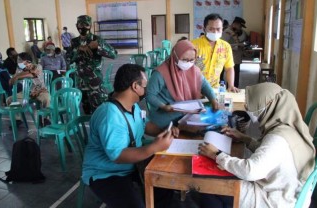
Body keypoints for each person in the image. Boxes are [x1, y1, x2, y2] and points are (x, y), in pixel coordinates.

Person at [198, 82, 316, 208]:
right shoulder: (290, 128)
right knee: (226, 173)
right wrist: (245, 138)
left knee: (208, 185)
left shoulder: (277, 139)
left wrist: (216, 154)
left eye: (254, 107)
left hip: (274, 200)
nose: (250, 111)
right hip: (289, 192)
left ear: (270, 105)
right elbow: (269, 155)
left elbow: (250, 171)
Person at [83, 64, 177, 208]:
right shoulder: (110, 116)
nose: (147, 90)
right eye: (145, 86)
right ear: (135, 86)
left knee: (165, 184)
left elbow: (144, 126)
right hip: (106, 174)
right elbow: (118, 156)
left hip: (131, 166)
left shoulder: (132, 106)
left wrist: (165, 131)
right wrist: (154, 147)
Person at [146, 40, 219, 130]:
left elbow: (205, 85)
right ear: (175, 56)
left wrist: (213, 100)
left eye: (192, 60)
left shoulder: (194, 70)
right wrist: (164, 106)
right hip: (167, 116)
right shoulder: (161, 73)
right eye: (184, 60)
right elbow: (150, 95)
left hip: (188, 114)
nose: (188, 63)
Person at [69, 15, 118, 114]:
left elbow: (114, 54)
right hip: (81, 83)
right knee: (86, 112)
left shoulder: (96, 39)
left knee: (99, 111)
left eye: (86, 25)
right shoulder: (74, 42)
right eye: (80, 24)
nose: (83, 27)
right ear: (76, 25)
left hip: (95, 83)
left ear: (90, 25)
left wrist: (99, 46)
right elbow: (70, 59)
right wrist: (78, 49)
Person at [191, 13, 239, 92]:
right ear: (204, 29)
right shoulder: (193, 45)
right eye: (211, 29)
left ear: (222, 29)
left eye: (218, 29)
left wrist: (231, 85)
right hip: (194, 88)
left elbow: (229, 68)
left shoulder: (226, 47)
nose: (215, 32)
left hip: (214, 89)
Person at [8, 52, 51, 126]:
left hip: (40, 90)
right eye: (18, 60)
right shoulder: (19, 69)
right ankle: (17, 119)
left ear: (27, 61)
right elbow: (11, 82)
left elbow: (32, 74)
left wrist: (18, 76)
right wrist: (17, 75)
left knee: (46, 98)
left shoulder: (38, 66)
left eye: (20, 60)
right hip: (26, 92)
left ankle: (45, 118)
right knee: (10, 99)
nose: (18, 62)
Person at [222, 17, 248, 88]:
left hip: (236, 59)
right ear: (235, 24)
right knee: (232, 78)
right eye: (240, 26)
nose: (240, 28)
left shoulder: (235, 32)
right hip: (231, 59)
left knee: (236, 77)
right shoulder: (227, 32)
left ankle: (234, 90)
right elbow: (223, 45)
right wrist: (238, 45)